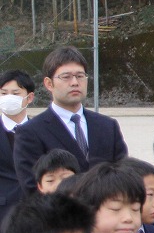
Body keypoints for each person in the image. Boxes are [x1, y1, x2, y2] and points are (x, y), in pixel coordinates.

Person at [13, 47, 129, 194]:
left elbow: (123, 174)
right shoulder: (30, 132)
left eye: (80, 76)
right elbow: (32, 186)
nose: (75, 82)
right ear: (49, 83)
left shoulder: (107, 126)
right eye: (66, 77)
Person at [0, 69, 37, 225]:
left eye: (15, 93)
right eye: (3, 93)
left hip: (37, 215)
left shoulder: (41, 130)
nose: (9, 98)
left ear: (29, 97)